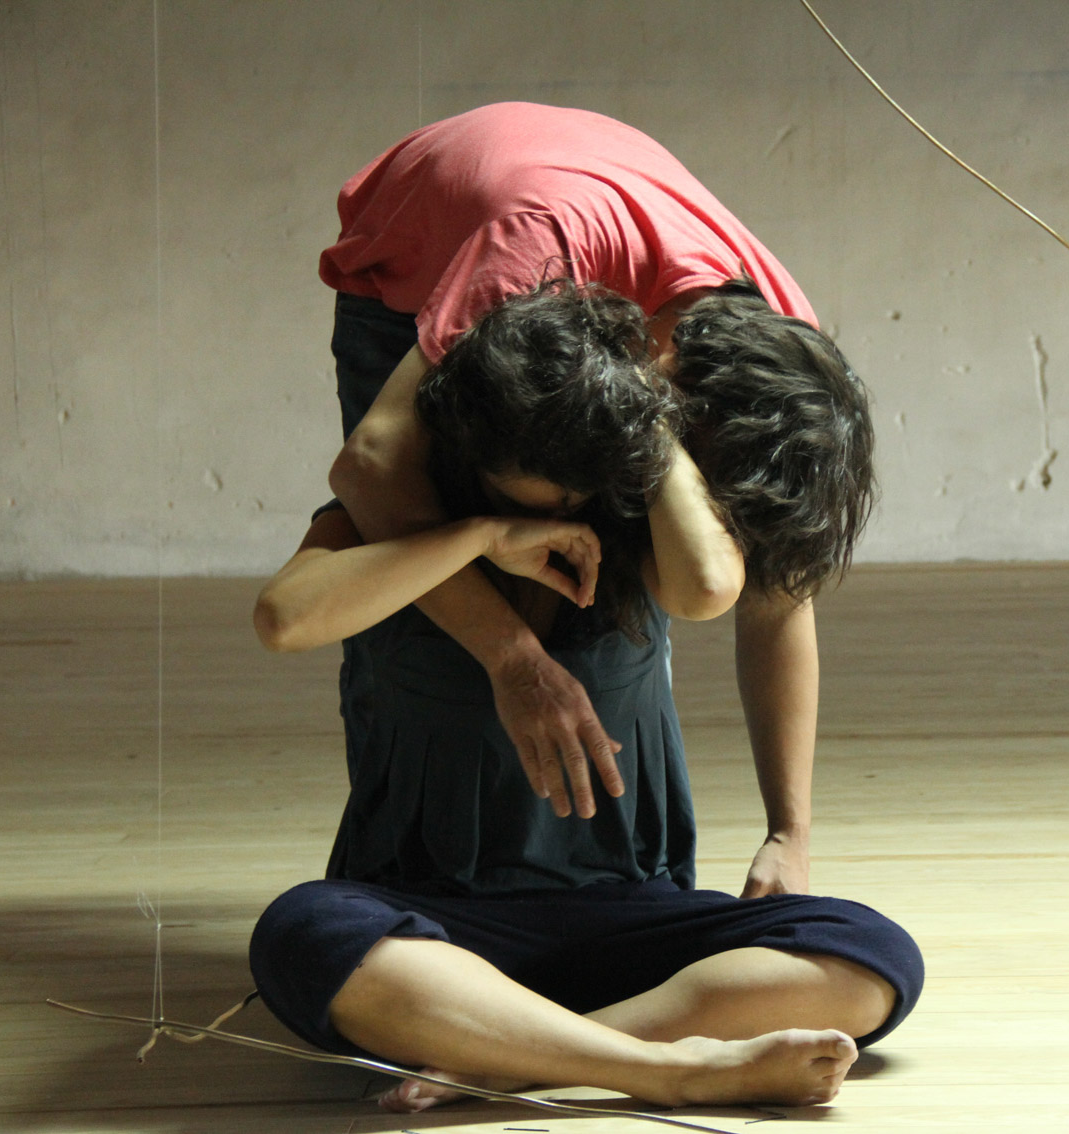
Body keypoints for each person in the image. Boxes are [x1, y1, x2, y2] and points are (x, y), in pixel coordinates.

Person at [248, 282, 922, 1111]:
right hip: (434, 921)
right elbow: (284, 618)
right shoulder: (393, 525)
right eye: (515, 498)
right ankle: (664, 1069)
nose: (558, 514)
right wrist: (481, 538)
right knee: (305, 934)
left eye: (571, 498)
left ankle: (510, 1056)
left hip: (629, 910)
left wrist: (648, 423)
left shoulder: (631, 521)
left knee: (869, 953)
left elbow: (711, 585)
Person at [319, 102, 876, 898]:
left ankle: (618, 877)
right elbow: (370, 468)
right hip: (426, 264)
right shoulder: (529, 252)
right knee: (431, 621)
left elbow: (774, 589)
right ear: (662, 379)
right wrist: (513, 659)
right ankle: (403, 873)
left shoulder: (784, 352)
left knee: (618, 604)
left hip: (611, 290)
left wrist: (789, 833)